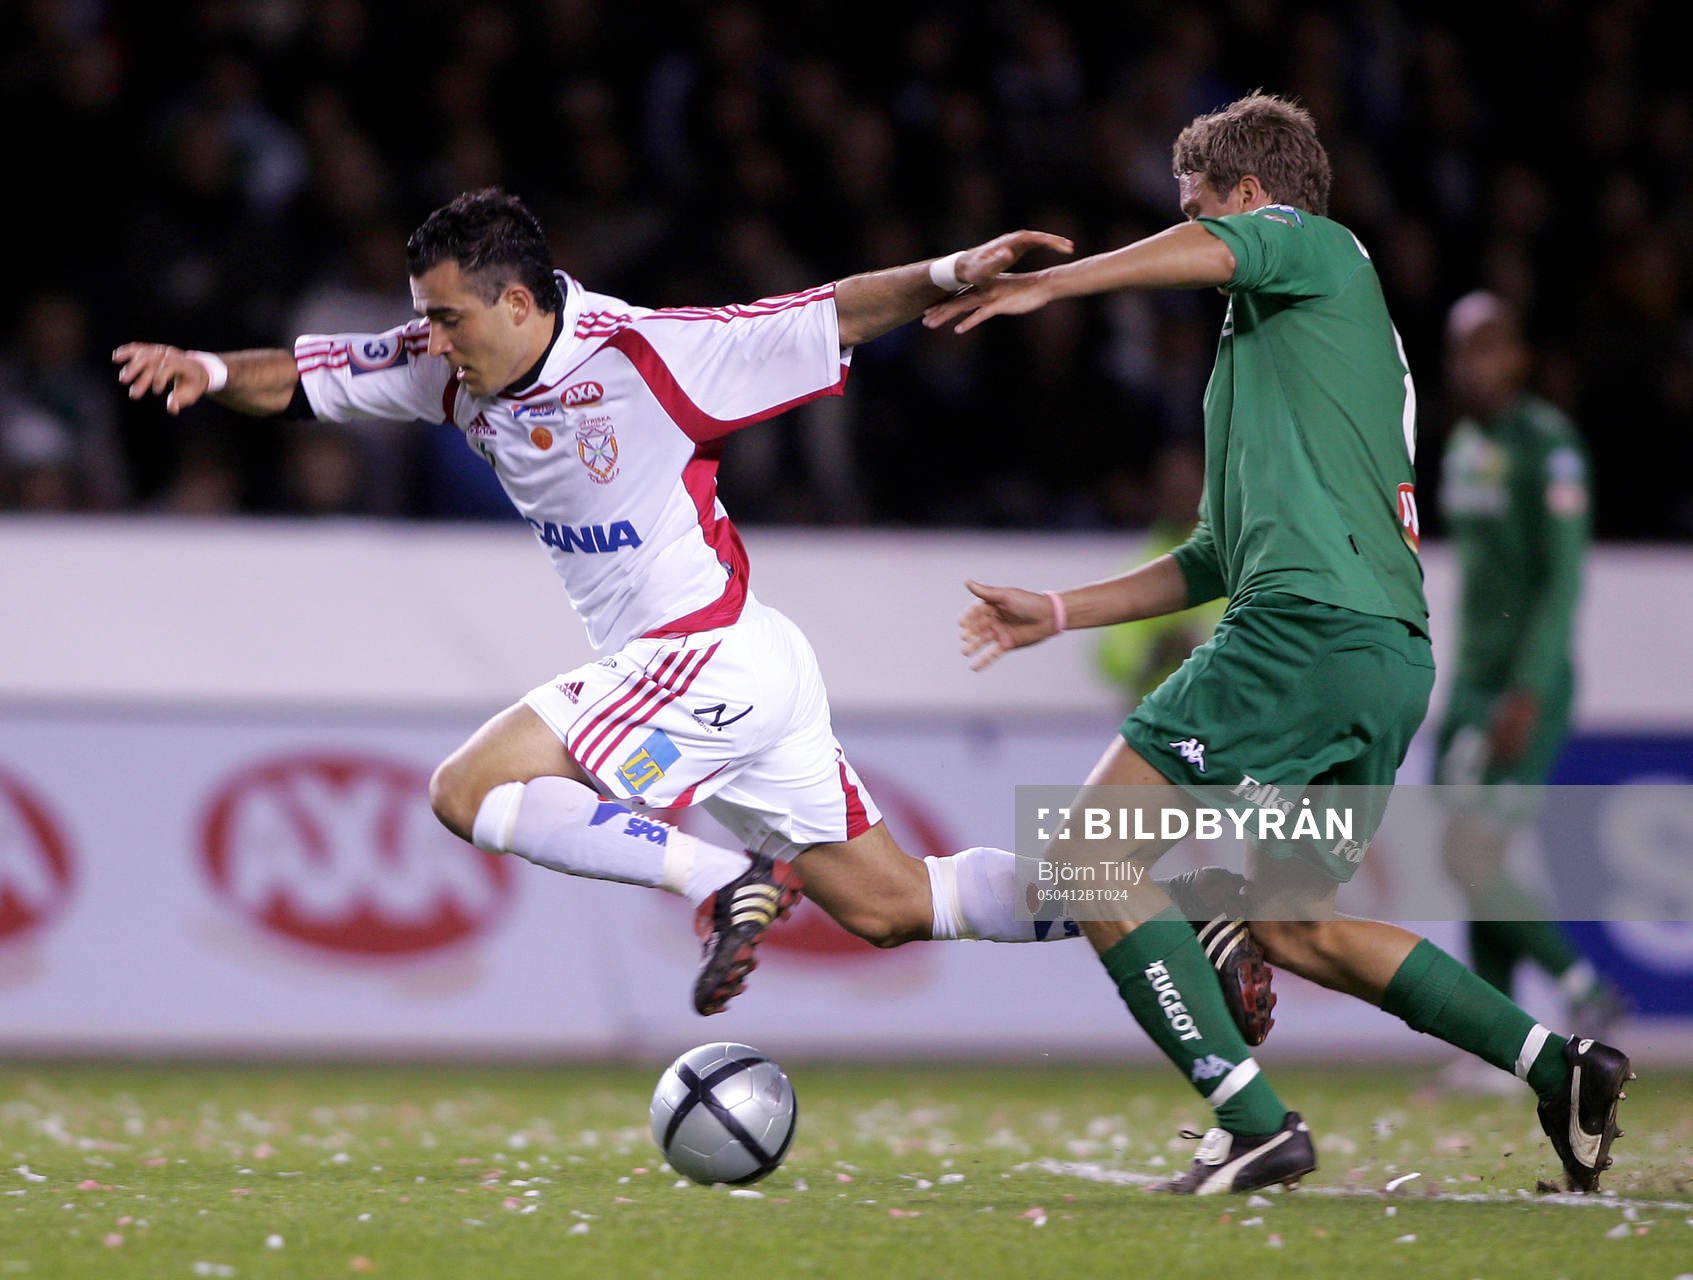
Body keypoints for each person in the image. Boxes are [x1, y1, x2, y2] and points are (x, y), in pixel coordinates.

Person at [115, 187, 1079, 1018]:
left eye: (448, 319)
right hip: (731, 665)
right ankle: (1193, 881)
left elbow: (828, 316)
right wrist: (204, 372)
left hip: (699, 656)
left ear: (520, 301)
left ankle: (720, 882)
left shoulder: (648, 356)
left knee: (466, 789)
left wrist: (954, 270)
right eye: (427, 319)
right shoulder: (451, 365)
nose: (432, 341)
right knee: (893, 906)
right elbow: (305, 379)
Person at [926, 93, 1631, 1195]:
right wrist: (1059, 611)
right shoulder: (1276, 351)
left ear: (1250, 198)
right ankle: (1561, 1062)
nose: (1187, 232)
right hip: (1378, 657)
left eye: (1195, 207)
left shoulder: (1321, 249)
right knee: (1296, 924)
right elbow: (1216, 553)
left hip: (1301, 633)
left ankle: (1249, 1119)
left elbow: (1215, 252)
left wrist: (1054, 282)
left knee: (1089, 855)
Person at [1436, 291, 1627, 1043]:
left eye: (1488, 345)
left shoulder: (1548, 445)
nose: (1473, 364)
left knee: (1469, 853)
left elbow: (1562, 579)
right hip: (1468, 683)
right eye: (1461, 349)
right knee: (1459, 856)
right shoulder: (1460, 445)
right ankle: (1498, 1042)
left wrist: (1527, 689)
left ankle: (1583, 987)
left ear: (1517, 355)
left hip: (1522, 688)